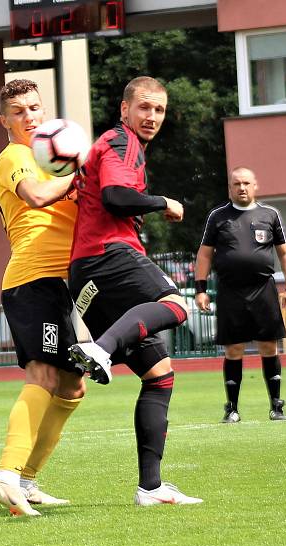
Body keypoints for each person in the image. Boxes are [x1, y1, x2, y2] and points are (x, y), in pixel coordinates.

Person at [67, 76, 202, 506]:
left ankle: (151, 487)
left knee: (159, 377)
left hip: (86, 277)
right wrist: (163, 202)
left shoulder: (118, 145)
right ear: (124, 109)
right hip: (107, 256)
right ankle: (101, 349)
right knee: (176, 305)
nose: (152, 117)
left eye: (159, 110)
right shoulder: (122, 142)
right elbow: (115, 196)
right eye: (144, 107)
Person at [0, 79, 86, 517]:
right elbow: (38, 197)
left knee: (72, 387)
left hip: (63, 285)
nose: (29, 117)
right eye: (19, 111)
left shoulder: (56, 162)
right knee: (42, 374)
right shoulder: (15, 157)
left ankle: (26, 480)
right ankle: (5, 475)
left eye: (35, 108)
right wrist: (78, 173)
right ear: (4, 120)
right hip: (32, 280)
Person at [194, 166, 286, 423]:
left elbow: (285, 253)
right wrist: (200, 290)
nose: (242, 187)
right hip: (230, 291)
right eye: (236, 184)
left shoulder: (270, 214)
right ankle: (232, 408)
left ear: (255, 186)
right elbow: (205, 254)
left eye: (246, 183)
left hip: (263, 288)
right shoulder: (217, 217)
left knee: (268, 346)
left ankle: (276, 405)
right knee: (234, 349)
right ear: (230, 188)